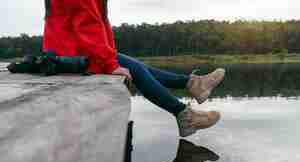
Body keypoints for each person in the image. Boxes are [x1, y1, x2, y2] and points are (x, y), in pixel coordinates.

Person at [43, 0, 226, 137]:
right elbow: (88, 26)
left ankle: (192, 85)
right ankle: (185, 113)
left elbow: (96, 24)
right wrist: (110, 64)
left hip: (72, 52)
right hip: (72, 57)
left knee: (137, 67)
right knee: (137, 70)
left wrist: (111, 56)